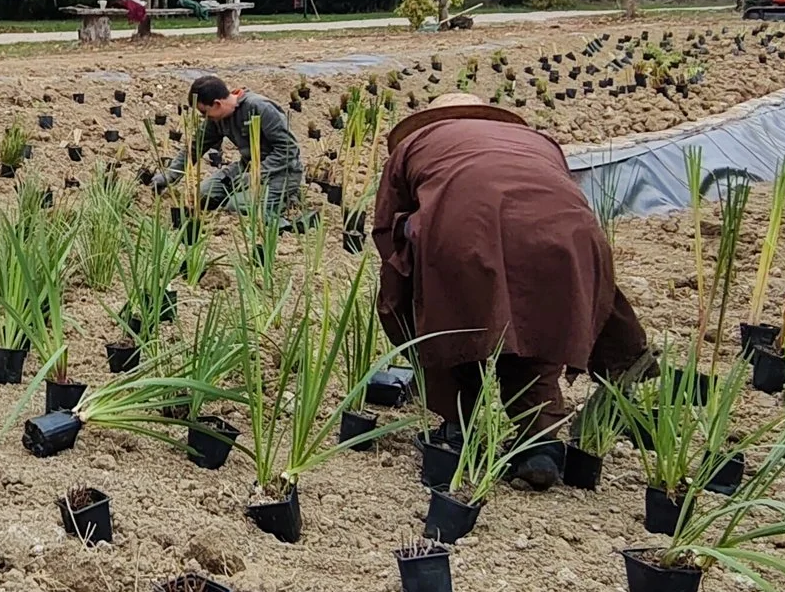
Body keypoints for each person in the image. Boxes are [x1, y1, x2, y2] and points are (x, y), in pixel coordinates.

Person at [371, 92, 647, 485]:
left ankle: (457, 430)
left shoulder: (415, 144)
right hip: (569, 238)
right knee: (538, 333)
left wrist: (413, 283)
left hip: (467, 231)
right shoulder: (538, 142)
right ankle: (539, 447)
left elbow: (386, 229)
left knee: (455, 325)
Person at [154, 74, 303, 217]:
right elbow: (195, 146)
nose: (205, 117)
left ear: (217, 104)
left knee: (237, 207)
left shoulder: (260, 108)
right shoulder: (216, 119)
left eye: (204, 112)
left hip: (281, 172)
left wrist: (257, 174)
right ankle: (244, 194)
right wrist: (170, 175)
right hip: (246, 168)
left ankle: (287, 198)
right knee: (202, 196)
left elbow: (288, 149)